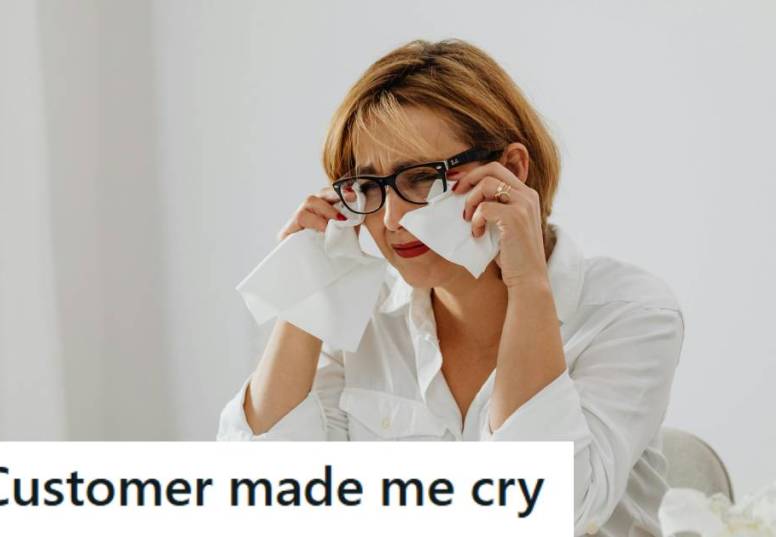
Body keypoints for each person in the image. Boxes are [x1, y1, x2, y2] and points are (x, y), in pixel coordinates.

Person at [217, 39, 684, 537]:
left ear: (512, 170)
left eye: (421, 178)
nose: (392, 219)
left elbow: (546, 510)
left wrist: (527, 283)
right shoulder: (363, 320)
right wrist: (304, 290)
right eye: (370, 187)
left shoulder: (628, 312)